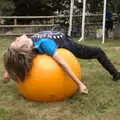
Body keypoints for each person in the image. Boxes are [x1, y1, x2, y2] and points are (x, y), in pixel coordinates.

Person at [3, 34, 88, 94]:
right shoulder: (44, 44)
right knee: (97, 51)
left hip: (59, 35)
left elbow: (16, 56)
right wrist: (80, 84)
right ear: (24, 47)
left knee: (96, 52)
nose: (17, 37)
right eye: (17, 41)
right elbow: (63, 63)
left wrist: (7, 72)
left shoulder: (29, 46)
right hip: (65, 40)